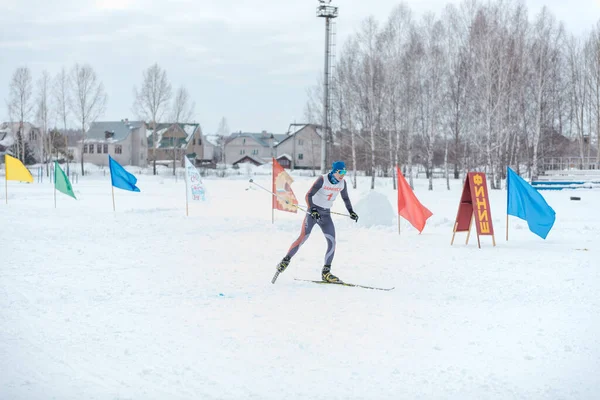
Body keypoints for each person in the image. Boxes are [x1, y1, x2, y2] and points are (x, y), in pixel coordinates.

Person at [276, 160, 359, 283]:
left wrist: (351, 211)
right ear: (335, 171)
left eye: (345, 172)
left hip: (326, 215)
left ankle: (326, 273)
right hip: (313, 213)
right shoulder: (323, 179)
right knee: (303, 237)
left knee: (332, 242)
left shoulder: (342, 183)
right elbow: (308, 195)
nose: (343, 174)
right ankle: (285, 260)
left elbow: (345, 198)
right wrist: (313, 209)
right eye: (341, 171)